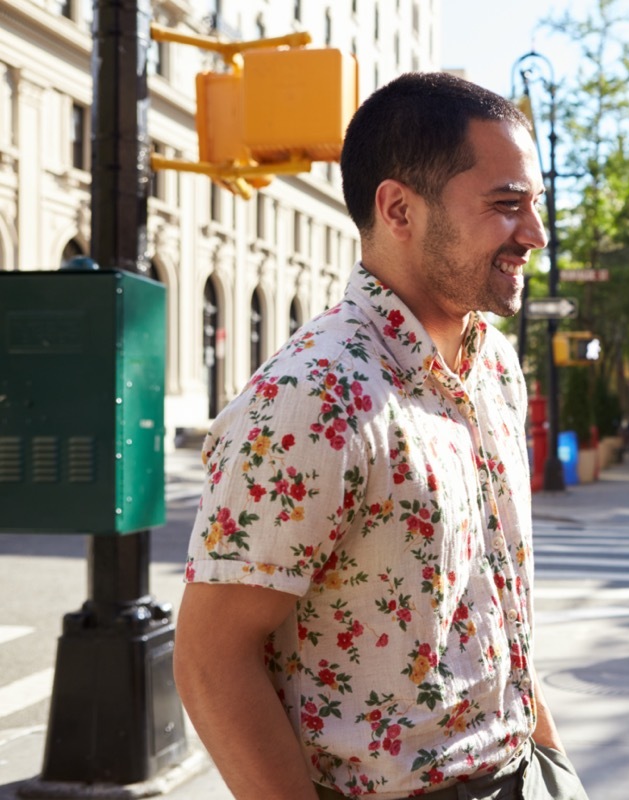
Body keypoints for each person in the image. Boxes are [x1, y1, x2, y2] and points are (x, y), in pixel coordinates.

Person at [174, 72, 589, 800]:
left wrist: (552, 765)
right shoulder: (314, 394)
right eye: (505, 205)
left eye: (535, 206)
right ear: (398, 207)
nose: (535, 234)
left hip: (524, 772)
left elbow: (494, 598)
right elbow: (212, 661)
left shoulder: (492, 362)